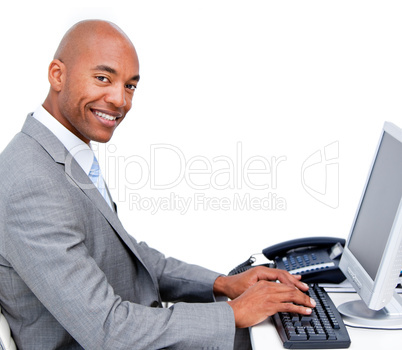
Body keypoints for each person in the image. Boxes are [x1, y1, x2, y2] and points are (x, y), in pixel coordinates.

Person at [0, 20, 315, 349]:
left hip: (135, 327)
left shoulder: (64, 152)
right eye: (103, 78)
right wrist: (234, 313)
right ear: (57, 75)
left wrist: (224, 285)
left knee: (272, 331)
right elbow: (108, 330)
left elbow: (124, 255)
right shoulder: (31, 181)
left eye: (130, 86)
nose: (120, 100)